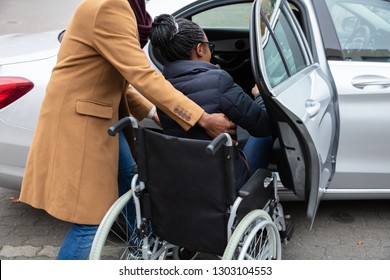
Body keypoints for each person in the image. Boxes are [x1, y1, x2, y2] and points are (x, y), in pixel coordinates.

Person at [18, 0, 234, 260]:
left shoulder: (128, 9)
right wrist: (201, 118)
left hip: (101, 118)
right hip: (82, 123)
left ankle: (139, 250)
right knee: (90, 221)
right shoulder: (111, 6)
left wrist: (152, 113)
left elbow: (117, 75)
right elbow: (141, 74)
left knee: (134, 186)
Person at [149, 14, 274, 190]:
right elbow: (262, 126)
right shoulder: (218, 81)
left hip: (185, 182)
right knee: (265, 136)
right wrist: (259, 96)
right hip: (226, 183)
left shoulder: (162, 89)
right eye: (209, 46)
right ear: (199, 49)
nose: (210, 50)